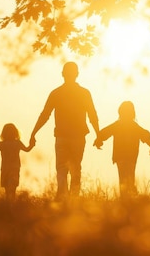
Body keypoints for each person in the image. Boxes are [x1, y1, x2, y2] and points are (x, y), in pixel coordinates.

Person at [30, 62, 100, 200]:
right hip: (78, 138)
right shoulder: (84, 93)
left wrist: (34, 133)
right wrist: (98, 135)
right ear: (77, 74)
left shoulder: (56, 93)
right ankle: (73, 200)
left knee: (61, 169)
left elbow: (44, 115)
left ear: (62, 74)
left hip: (61, 137)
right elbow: (92, 115)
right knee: (75, 169)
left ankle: (62, 199)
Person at [94, 101, 150, 198]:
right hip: (131, 157)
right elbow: (145, 136)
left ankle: (125, 199)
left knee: (123, 178)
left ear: (120, 112)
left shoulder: (118, 125)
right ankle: (130, 198)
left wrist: (98, 140)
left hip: (120, 157)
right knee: (130, 178)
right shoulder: (134, 126)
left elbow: (105, 132)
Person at [0, 123, 35, 199]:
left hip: (5, 169)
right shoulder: (17, 143)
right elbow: (27, 149)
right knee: (13, 188)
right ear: (15, 133)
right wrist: (32, 144)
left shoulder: (1, 144)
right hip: (15, 168)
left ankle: (8, 204)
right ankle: (11, 204)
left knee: (7, 189)